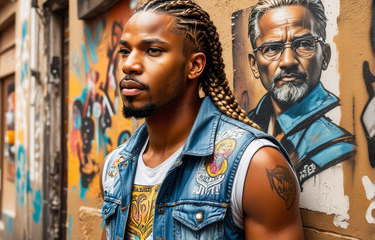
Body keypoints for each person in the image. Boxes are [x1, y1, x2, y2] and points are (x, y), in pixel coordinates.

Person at [100, 0, 303, 239]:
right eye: (125, 51)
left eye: (152, 50)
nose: (129, 64)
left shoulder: (255, 164)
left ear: (194, 65)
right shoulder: (115, 167)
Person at [247, 0, 355, 186]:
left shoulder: (340, 146)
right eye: (272, 48)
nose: (288, 61)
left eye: (304, 44)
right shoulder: (245, 126)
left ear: (325, 56)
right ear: (254, 65)